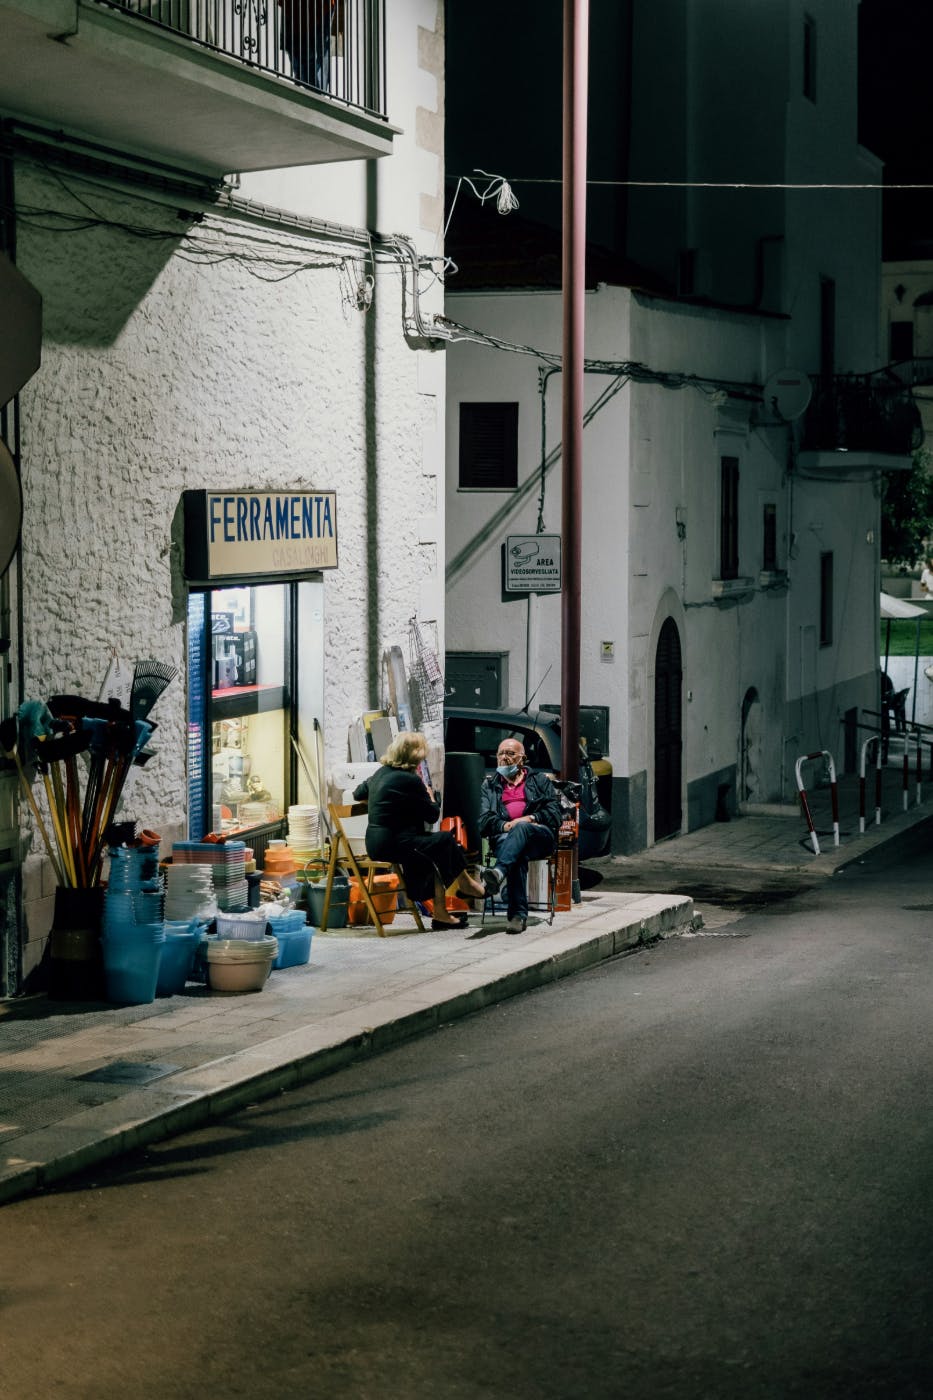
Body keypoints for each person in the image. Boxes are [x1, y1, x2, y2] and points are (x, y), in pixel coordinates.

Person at [352, 731, 486, 930]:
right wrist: (431, 796)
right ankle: (465, 885)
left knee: (436, 850)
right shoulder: (410, 780)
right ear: (415, 756)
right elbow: (432, 815)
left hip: (376, 843)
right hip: (394, 843)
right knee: (444, 840)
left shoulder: (381, 773)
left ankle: (443, 913)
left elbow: (357, 794)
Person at [479, 737, 562, 935]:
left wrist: (530, 818)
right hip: (505, 840)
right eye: (501, 753)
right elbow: (483, 822)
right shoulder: (490, 786)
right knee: (516, 853)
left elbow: (556, 814)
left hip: (539, 837)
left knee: (521, 829)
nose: (504, 758)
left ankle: (498, 873)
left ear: (522, 759)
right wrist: (507, 825)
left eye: (510, 754)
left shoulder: (539, 780)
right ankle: (517, 916)